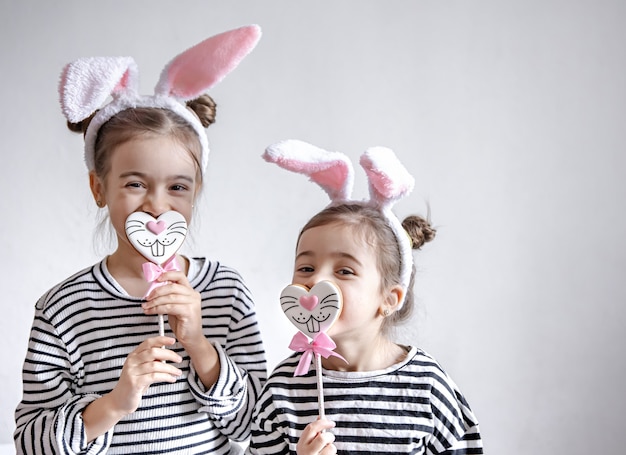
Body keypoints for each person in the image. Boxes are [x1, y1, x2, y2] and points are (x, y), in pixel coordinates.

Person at [14, 26, 267, 455]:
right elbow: (30, 444)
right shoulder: (61, 310)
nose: (156, 204)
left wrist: (200, 346)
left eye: (178, 188)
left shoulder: (226, 291)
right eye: (135, 183)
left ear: (195, 193)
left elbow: (254, 425)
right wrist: (113, 404)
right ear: (99, 189)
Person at [248, 140, 483, 454]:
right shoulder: (284, 389)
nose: (316, 280)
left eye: (344, 271)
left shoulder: (427, 388)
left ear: (389, 298)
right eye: (306, 266)